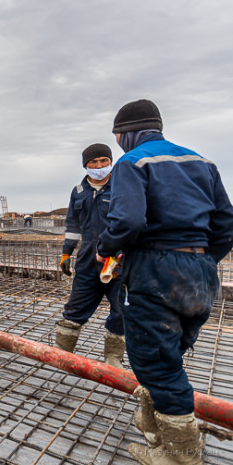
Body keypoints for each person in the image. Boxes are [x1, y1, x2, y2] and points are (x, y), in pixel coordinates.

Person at [96, 99, 233, 463]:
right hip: (201, 274)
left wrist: (104, 248)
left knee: (159, 366)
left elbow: (127, 222)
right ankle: (156, 426)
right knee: (169, 358)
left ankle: (181, 455)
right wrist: (199, 260)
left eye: (117, 136)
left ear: (126, 133)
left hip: (155, 272)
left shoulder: (132, 162)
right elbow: (226, 225)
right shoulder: (203, 162)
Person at [56, 143, 125, 369]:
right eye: (93, 162)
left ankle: (113, 358)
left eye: (104, 161)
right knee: (76, 306)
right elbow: (72, 225)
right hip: (87, 258)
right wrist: (66, 253)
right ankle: (62, 353)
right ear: (85, 165)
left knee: (121, 309)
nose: (99, 165)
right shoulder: (78, 191)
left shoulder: (122, 187)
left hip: (117, 259)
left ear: (111, 162)